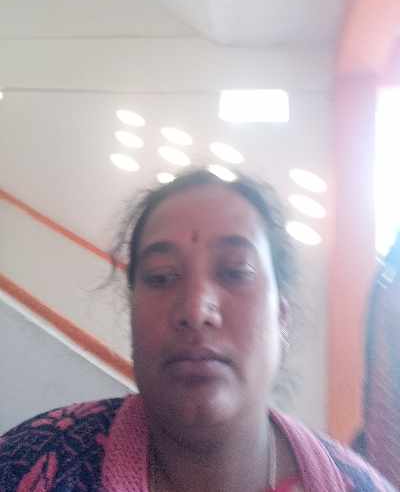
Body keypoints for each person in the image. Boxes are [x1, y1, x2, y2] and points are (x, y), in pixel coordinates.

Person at [0, 169, 396, 491]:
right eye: (161, 277)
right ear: (132, 311)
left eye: (235, 272)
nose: (194, 309)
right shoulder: (25, 466)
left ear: (281, 316)